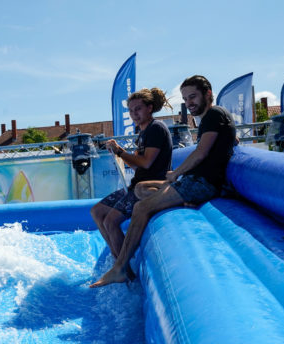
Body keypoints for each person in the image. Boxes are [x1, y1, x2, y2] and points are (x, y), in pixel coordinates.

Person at [90, 75, 237, 288]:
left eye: (193, 97)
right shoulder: (213, 118)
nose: (189, 103)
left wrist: (176, 173)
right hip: (195, 180)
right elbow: (223, 140)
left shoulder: (213, 115)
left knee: (140, 208)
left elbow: (200, 153)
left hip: (201, 183)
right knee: (140, 189)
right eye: (185, 99)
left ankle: (120, 268)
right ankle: (120, 266)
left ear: (208, 94)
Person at [91, 88, 172, 260]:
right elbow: (137, 166)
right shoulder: (143, 132)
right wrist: (118, 153)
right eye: (131, 110)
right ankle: (116, 259)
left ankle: (124, 267)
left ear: (149, 108)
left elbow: (146, 162)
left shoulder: (156, 128)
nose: (134, 114)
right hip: (137, 184)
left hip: (149, 187)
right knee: (97, 212)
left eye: (138, 109)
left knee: (110, 221)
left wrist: (120, 151)